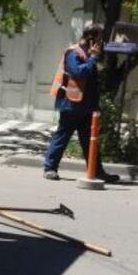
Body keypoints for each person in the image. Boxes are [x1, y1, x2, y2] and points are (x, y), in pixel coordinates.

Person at [43, 22, 120, 183]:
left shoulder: (90, 53)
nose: (101, 41)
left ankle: (96, 172)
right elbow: (78, 72)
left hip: (87, 105)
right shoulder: (73, 52)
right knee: (62, 136)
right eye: (99, 38)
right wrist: (93, 58)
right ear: (91, 37)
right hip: (72, 104)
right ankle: (50, 168)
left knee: (90, 141)